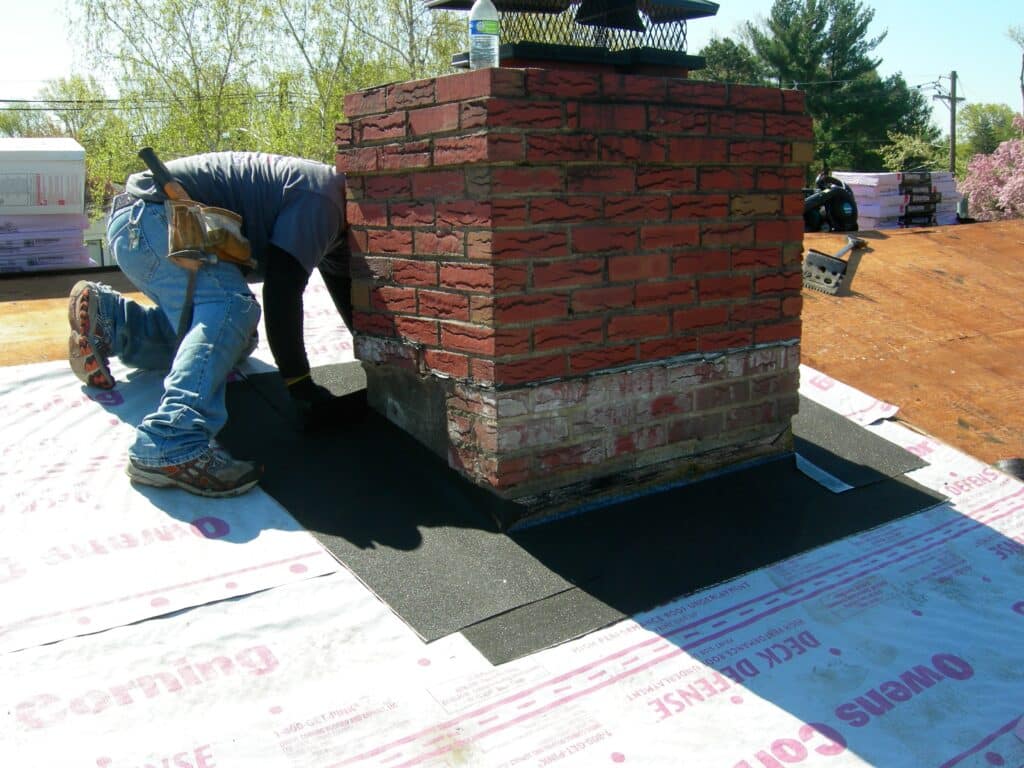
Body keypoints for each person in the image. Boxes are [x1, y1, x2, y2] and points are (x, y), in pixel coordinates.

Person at [68, 151, 352, 498]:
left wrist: (381, 358)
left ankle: (114, 321)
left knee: (231, 340)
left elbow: (347, 291)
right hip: (156, 215)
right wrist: (300, 386)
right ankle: (171, 439)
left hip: (138, 223)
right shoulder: (325, 199)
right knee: (232, 306)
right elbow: (282, 289)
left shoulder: (340, 223)